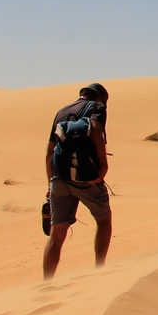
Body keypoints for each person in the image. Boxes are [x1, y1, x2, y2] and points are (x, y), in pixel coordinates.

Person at [43, 83, 110, 278]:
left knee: (57, 234)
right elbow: (96, 128)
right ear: (100, 98)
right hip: (86, 178)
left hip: (59, 177)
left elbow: (49, 151)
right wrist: (103, 164)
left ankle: (47, 281)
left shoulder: (61, 112)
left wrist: (50, 184)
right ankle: (100, 269)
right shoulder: (97, 107)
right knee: (104, 220)